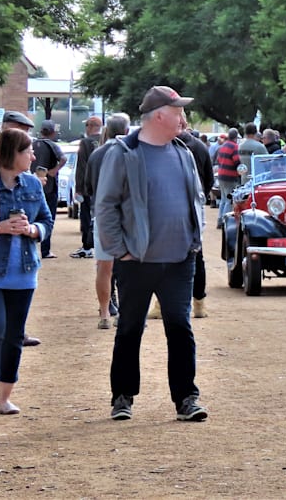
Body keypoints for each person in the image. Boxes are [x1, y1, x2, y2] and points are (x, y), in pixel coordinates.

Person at [96, 85, 207, 422]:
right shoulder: (124, 152)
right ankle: (122, 396)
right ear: (160, 115)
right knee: (130, 328)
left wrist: (194, 240)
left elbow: (196, 198)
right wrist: (120, 252)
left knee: (180, 328)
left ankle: (186, 397)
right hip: (137, 262)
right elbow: (106, 206)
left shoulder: (183, 152)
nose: (184, 119)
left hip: (179, 260)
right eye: (178, 112)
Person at [0, 128, 54, 417]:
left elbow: (46, 219)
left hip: (24, 273)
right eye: (28, 151)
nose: (34, 156)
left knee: (14, 336)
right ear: (13, 153)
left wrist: (33, 230)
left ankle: (4, 398)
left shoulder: (33, 185)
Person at [87, 114, 130, 330]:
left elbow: (88, 187)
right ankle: (125, 311)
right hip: (128, 217)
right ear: (127, 130)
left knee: (104, 267)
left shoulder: (97, 154)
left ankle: (104, 312)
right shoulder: (132, 151)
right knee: (129, 267)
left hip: (103, 215)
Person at [178, 122, 214, 320]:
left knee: (188, 255)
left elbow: (208, 179)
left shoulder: (169, 145)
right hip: (194, 205)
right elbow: (209, 179)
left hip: (185, 204)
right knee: (196, 254)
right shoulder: (200, 146)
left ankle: (197, 302)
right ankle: (199, 303)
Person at [31, 120, 65, 259]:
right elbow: (63, 158)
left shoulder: (32, 144)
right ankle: (46, 250)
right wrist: (54, 170)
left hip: (33, 186)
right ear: (52, 132)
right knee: (48, 218)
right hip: (49, 187)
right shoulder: (52, 145)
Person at [71, 116, 102, 259]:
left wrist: (79, 188)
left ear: (90, 126)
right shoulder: (105, 140)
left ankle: (87, 246)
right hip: (104, 186)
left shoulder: (85, 143)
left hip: (88, 187)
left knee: (86, 216)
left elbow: (82, 167)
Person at [214, 128, 241, 229]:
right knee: (229, 200)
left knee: (223, 199)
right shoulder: (234, 147)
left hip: (221, 175)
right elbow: (236, 161)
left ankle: (219, 219)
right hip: (230, 176)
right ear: (236, 137)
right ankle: (225, 221)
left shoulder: (222, 146)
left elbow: (218, 160)